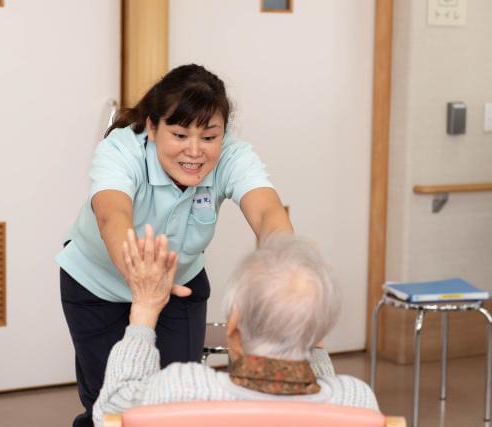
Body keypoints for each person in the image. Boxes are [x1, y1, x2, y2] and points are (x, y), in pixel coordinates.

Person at [56, 64, 292, 426]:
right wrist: (143, 280)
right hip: (97, 286)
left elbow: (267, 212)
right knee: (112, 407)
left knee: (178, 401)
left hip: (179, 286)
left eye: (209, 137)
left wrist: (286, 272)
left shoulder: (232, 155)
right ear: (152, 127)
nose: (194, 152)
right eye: (180, 135)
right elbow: (112, 216)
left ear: (223, 134)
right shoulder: (122, 150)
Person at [92, 229, 379, 426]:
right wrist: (310, 328)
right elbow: (325, 394)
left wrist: (144, 309)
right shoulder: (356, 400)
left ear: (233, 326)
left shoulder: (183, 387)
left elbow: (110, 412)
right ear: (322, 330)